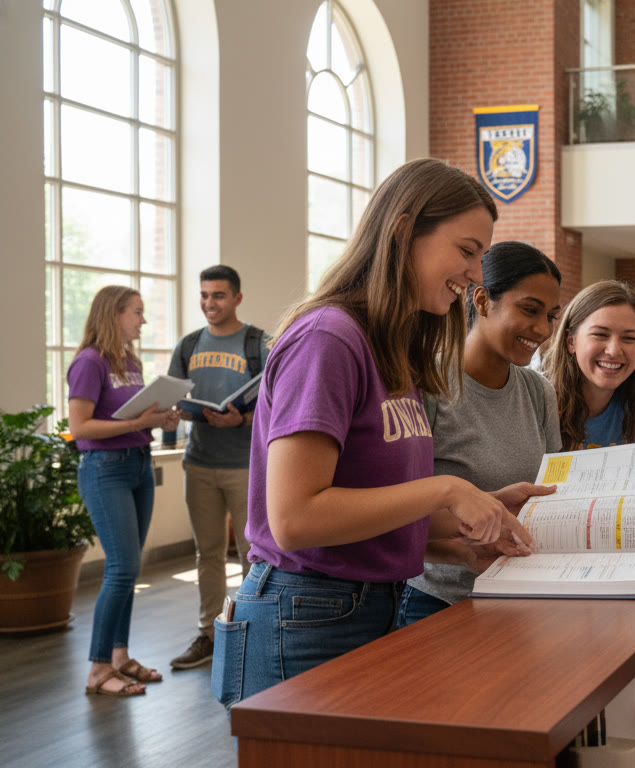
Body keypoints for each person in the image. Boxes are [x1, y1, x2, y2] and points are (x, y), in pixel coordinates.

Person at [211, 159, 535, 708]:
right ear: (405, 231)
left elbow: (367, 506)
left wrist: (465, 532)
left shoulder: (395, 349)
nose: (477, 273)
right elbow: (295, 519)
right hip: (306, 614)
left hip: (370, 605)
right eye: (467, 250)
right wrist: (447, 490)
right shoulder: (329, 338)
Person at [397, 242, 563, 626]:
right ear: (483, 300)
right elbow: (398, 514)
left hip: (521, 596)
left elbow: (550, 494)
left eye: (552, 316)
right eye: (529, 310)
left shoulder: (539, 392)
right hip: (438, 603)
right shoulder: (426, 385)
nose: (542, 329)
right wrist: (463, 552)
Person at [68, 285, 182, 696]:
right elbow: (80, 428)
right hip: (105, 470)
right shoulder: (88, 362)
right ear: (113, 314)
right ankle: (99, 669)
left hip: (138, 463)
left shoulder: (129, 362)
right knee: (121, 568)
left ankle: (120, 655)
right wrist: (138, 423)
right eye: (137, 311)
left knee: (130, 568)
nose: (143, 320)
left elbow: (132, 417)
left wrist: (159, 419)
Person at [161, 265, 269, 671]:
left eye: (218, 296)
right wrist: (176, 416)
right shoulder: (188, 345)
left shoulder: (258, 343)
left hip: (245, 465)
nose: (210, 303)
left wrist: (240, 419)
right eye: (204, 295)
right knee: (206, 554)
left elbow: (276, 403)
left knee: (251, 554)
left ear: (237, 298)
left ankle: (249, 630)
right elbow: (173, 394)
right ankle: (208, 633)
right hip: (200, 463)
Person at [545, 280, 635, 449]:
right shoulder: (538, 400)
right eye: (600, 334)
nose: (614, 351)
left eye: (629, 338)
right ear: (570, 341)